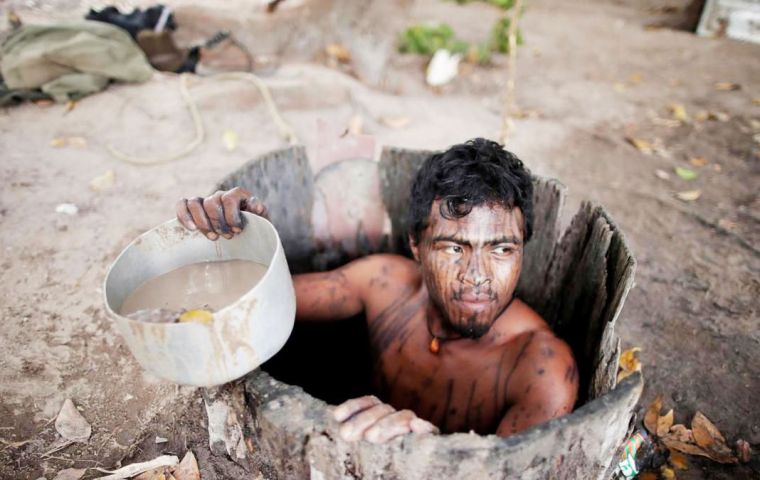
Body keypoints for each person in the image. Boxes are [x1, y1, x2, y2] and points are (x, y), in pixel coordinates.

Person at [176, 138, 578, 443]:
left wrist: (430, 454)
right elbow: (263, 299)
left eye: (502, 249)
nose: (477, 275)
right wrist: (242, 237)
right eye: (454, 247)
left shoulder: (540, 370)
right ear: (416, 246)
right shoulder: (383, 282)